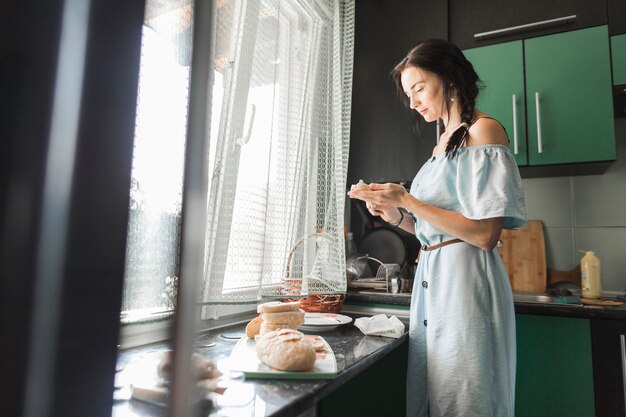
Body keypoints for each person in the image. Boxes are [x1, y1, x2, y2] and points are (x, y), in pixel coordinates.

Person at [348, 39, 526, 417]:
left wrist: (408, 199)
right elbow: (436, 232)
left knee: (467, 398)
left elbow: (483, 234)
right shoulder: (442, 144)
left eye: (418, 88)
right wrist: (394, 214)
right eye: (407, 94)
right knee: (438, 395)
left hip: (465, 284)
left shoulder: (484, 132)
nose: (412, 103)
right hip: (435, 281)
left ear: (448, 79)